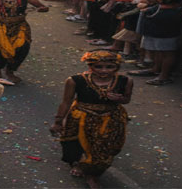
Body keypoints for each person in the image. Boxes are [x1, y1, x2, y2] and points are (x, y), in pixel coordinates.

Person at [51, 51, 132, 188]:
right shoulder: (75, 80)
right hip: (80, 118)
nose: (104, 71)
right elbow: (66, 102)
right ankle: (78, 164)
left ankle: (92, 174)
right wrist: (58, 121)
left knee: (103, 149)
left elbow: (127, 99)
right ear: (90, 66)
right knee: (74, 146)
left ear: (116, 67)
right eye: (98, 67)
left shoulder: (125, 81)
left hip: (110, 120)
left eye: (109, 67)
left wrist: (120, 99)